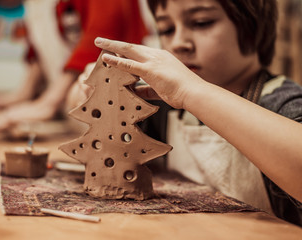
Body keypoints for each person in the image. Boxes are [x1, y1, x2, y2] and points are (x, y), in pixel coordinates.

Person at [69, 0, 302, 226]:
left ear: (254, 26)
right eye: (167, 29)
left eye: (202, 22)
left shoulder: (282, 102)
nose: (179, 42)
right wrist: (88, 92)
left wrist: (191, 92)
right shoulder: (162, 105)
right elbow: (93, 126)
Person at [0, 0, 148, 132]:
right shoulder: (48, 6)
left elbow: (99, 40)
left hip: (119, 110)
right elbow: (39, 53)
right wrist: (22, 96)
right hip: (75, 109)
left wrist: (48, 103)